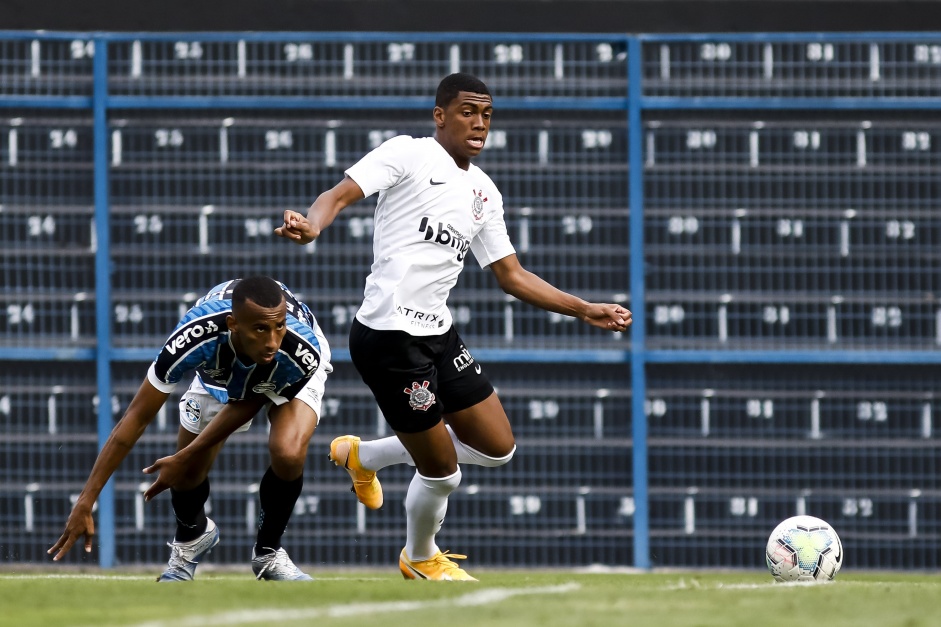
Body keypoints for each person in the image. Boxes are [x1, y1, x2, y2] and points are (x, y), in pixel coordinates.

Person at [275, 73, 632, 581]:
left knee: (498, 448)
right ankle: (420, 557)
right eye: (468, 111)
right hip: (389, 336)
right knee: (443, 472)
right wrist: (311, 225)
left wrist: (584, 308)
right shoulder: (408, 153)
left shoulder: (483, 191)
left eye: (486, 114)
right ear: (440, 115)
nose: (479, 123)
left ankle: (364, 455)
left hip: (438, 334)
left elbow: (511, 275)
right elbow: (338, 195)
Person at [48, 276, 332, 582]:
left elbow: (248, 401)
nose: (272, 341)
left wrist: (184, 454)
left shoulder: (297, 349)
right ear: (233, 324)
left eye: (278, 327)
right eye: (260, 329)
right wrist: (86, 499)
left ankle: (268, 553)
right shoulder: (194, 336)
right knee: (186, 475)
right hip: (218, 372)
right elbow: (136, 417)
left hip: (283, 373)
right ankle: (192, 537)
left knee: (287, 452)